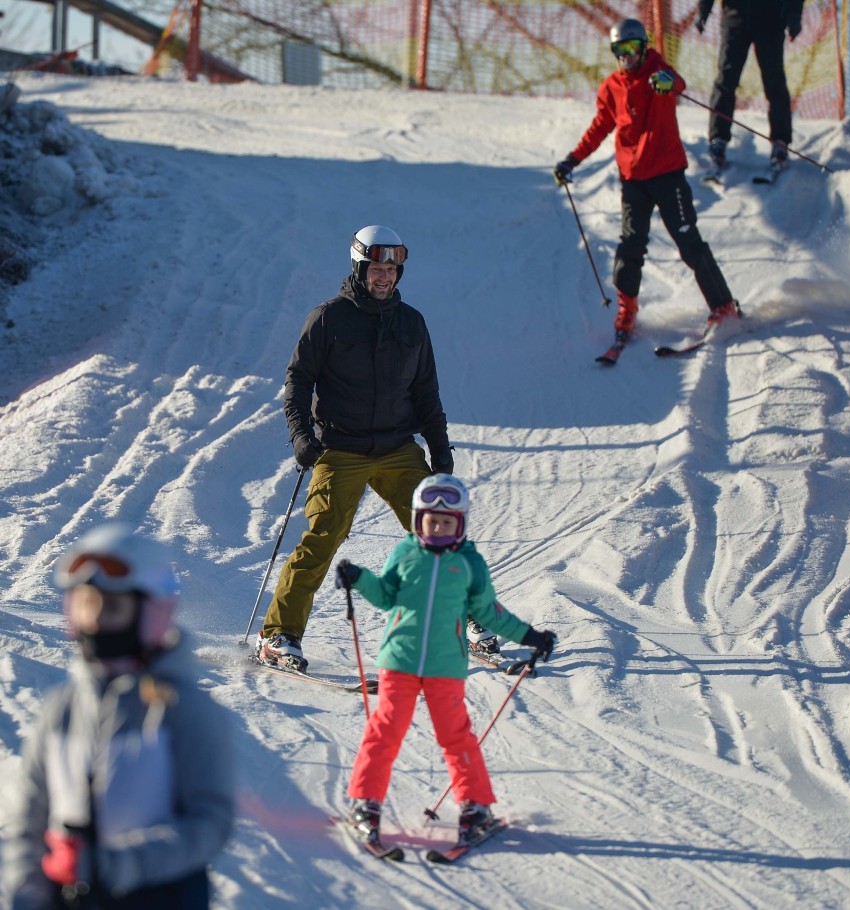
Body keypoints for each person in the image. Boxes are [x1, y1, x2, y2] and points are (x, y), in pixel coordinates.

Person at [254, 225, 501, 672]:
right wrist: (302, 437)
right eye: (377, 269)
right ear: (359, 268)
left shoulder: (412, 323)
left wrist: (440, 455)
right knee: (323, 537)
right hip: (340, 448)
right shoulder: (328, 318)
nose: (384, 277)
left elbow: (427, 393)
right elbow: (297, 384)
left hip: (396, 448)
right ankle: (278, 635)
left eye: (392, 269)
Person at [2, 523, 234, 910]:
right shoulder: (61, 709)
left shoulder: (183, 710)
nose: (94, 621)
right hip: (64, 896)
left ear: (150, 614)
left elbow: (211, 823)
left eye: (112, 607)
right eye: (86, 605)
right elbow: (30, 821)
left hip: (161, 896)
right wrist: (28, 890)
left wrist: (118, 865)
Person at [335, 474, 556, 845]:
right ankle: (365, 802)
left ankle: (475, 806)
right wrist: (359, 578)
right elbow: (386, 595)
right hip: (399, 661)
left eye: (447, 522)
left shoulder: (470, 564)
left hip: (445, 667)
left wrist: (530, 636)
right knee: (384, 732)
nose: (437, 528)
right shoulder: (405, 553)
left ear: (461, 523)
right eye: (431, 521)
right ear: (419, 519)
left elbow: (489, 613)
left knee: (456, 738)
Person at [553, 18, 740, 342]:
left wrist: (668, 81)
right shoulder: (611, 87)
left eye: (631, 48)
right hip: (633, 180)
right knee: (630, 246)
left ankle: (723, 305)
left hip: (668, 173)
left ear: (643, 47)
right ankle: (627, 310)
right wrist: (572, 160)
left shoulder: (658, 72)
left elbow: (676, 82)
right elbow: (599, 128)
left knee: (689, 242)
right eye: (619, 50)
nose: (626, 56)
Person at [696, 0, 803, 170]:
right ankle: (718, 139)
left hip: (771, 19)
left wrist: (794, 14)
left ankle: (780, 141)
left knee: (774, 81)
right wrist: (703, 11)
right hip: (735, 17)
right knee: (726, 79)